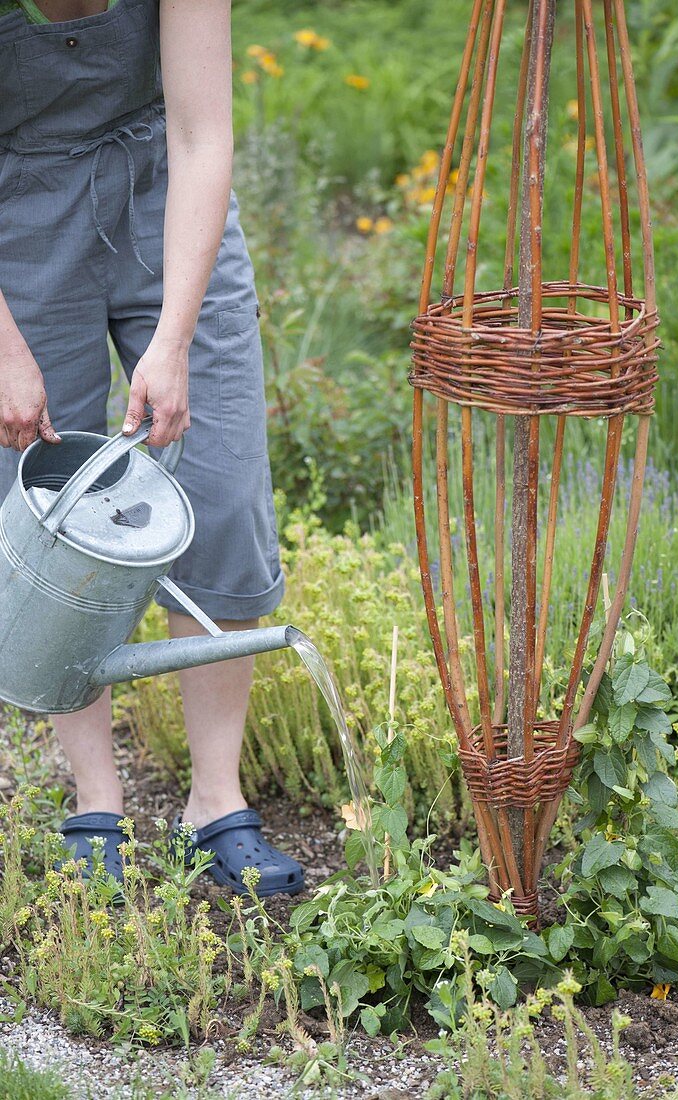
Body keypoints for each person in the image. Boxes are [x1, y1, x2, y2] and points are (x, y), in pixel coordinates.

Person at [0, 0, 304, 897]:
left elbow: (204, 133)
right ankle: (96, 805)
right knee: (45, 501)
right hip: (14, 217)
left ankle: (216, 803)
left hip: (163, 191)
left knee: (222, 484)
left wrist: (171, 342)